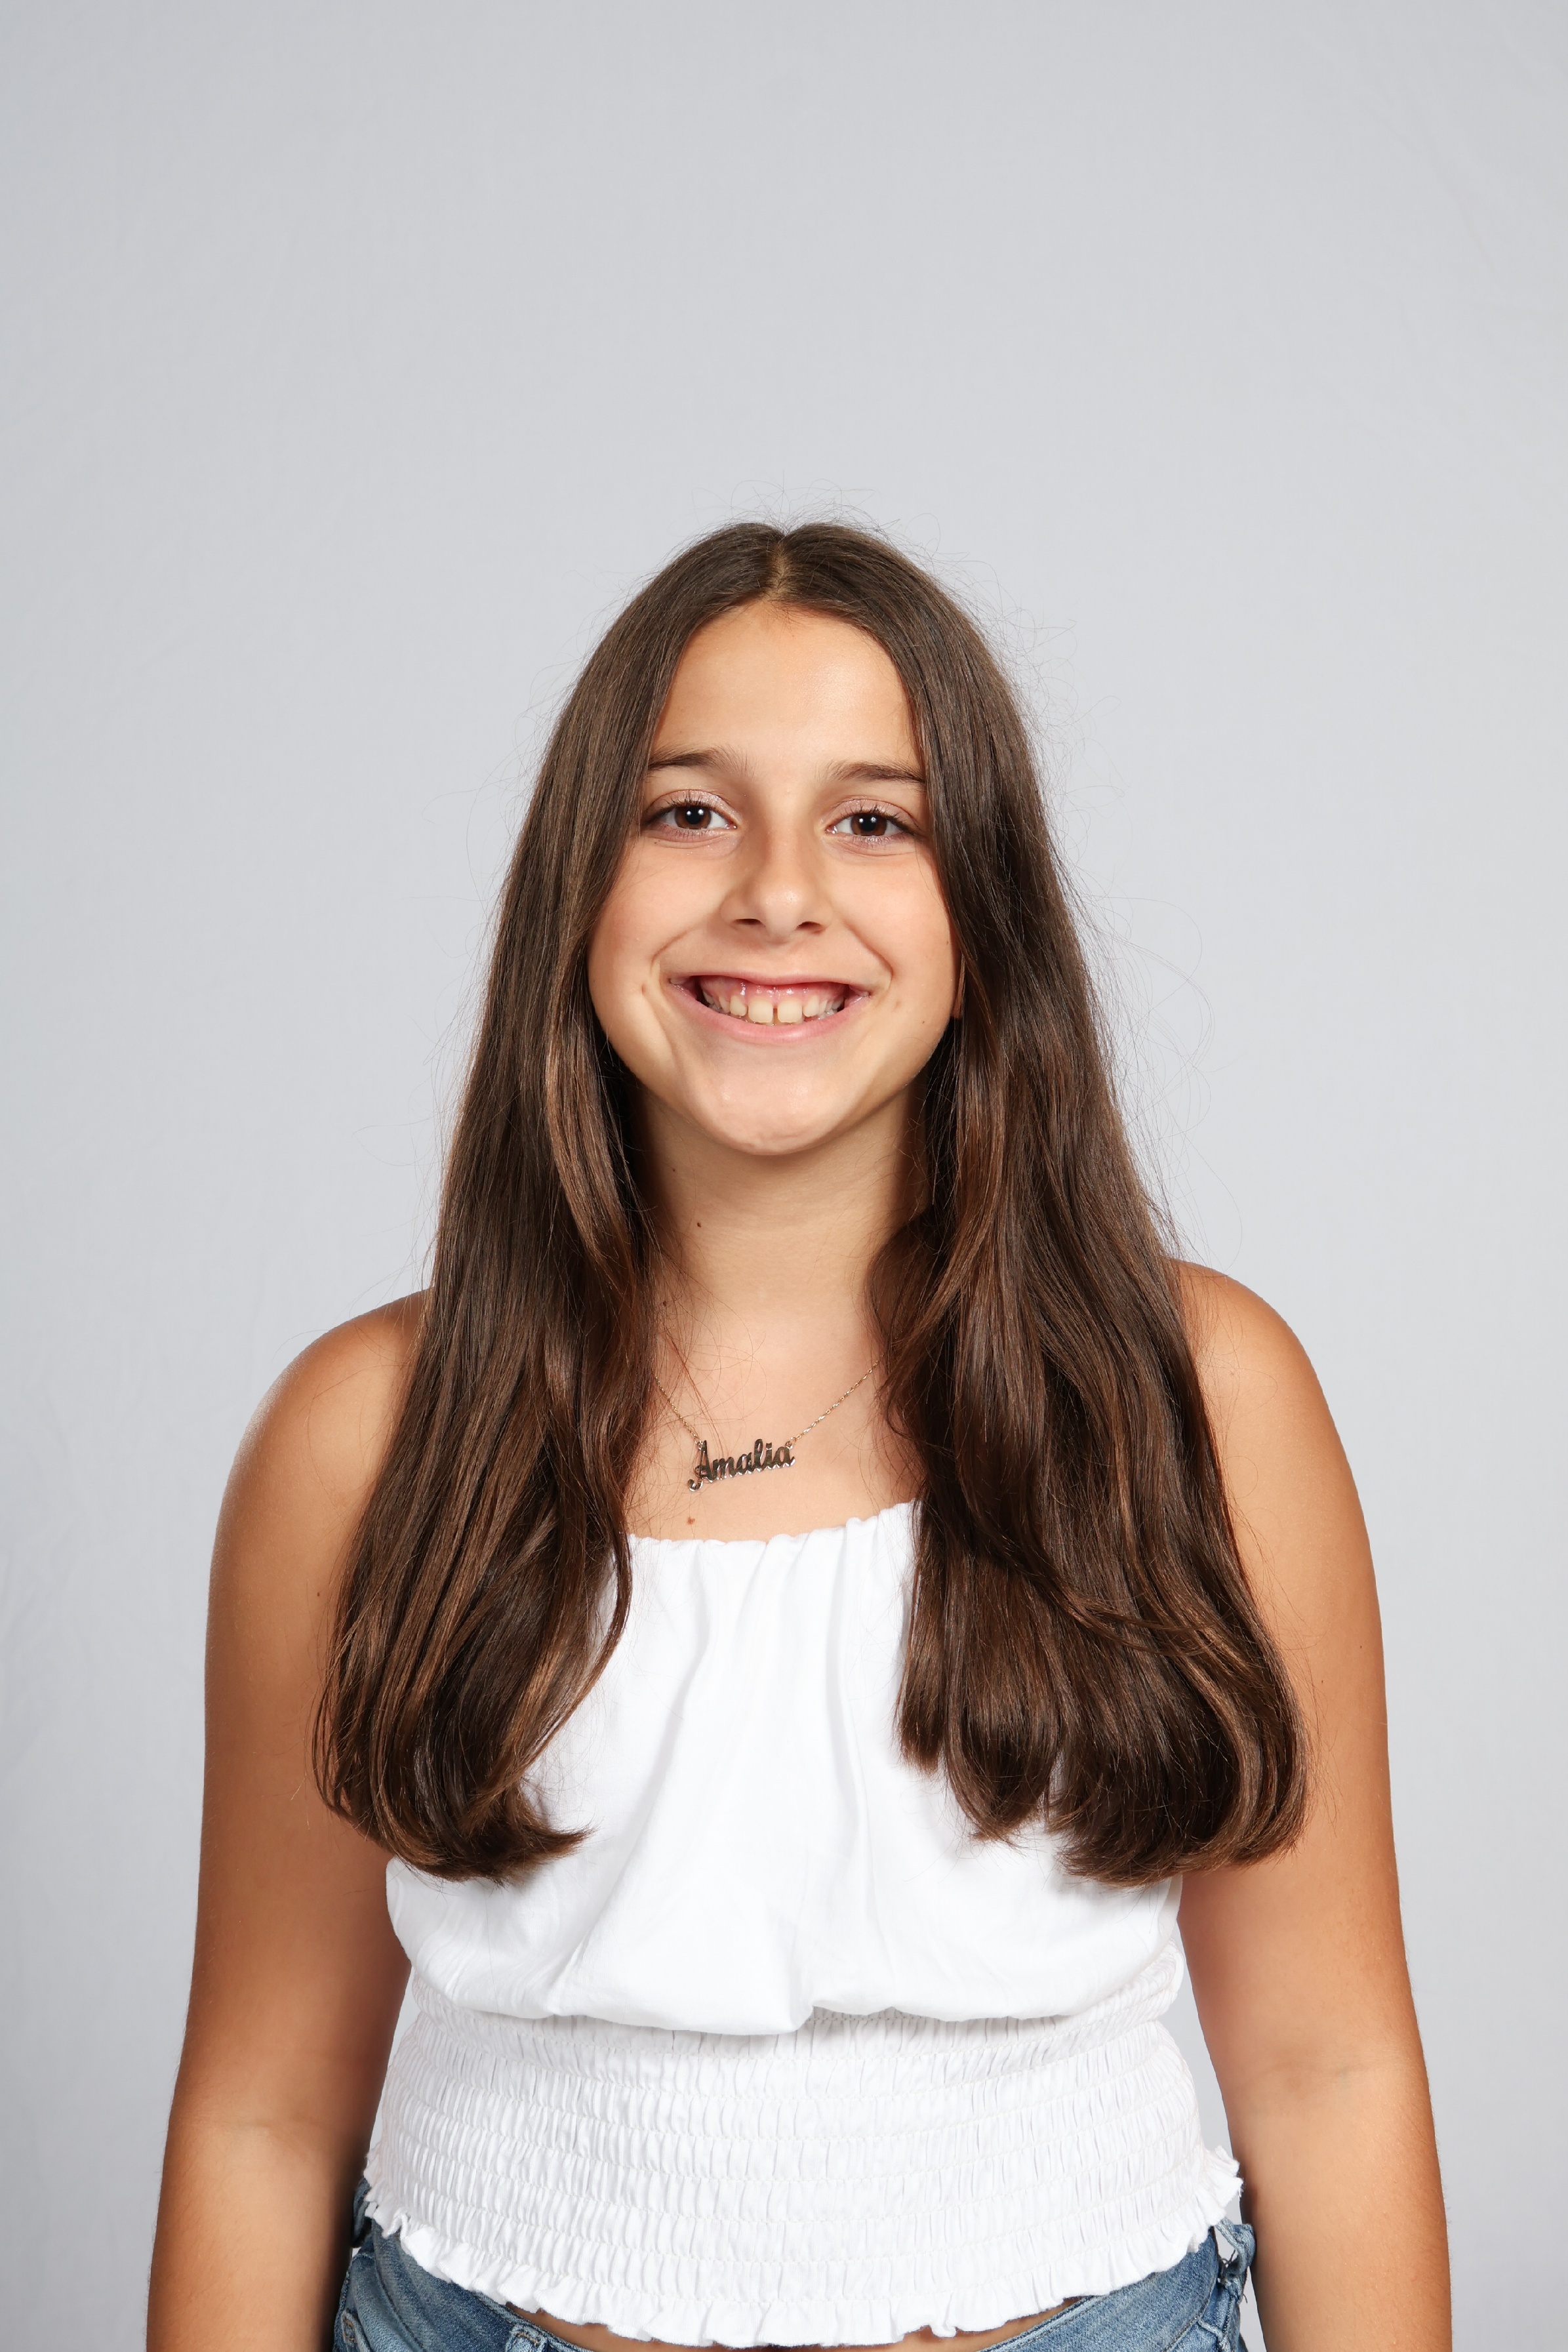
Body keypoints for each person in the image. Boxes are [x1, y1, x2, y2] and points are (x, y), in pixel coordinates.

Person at [147, 523, 1449, 2352]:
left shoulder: (1198, 1398)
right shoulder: (366, 1437)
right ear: (576, 889)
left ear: (986, 910)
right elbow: (266, 2111)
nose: (777, 894)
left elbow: (1327, 2069)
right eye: (688, 812)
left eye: (875, 821)